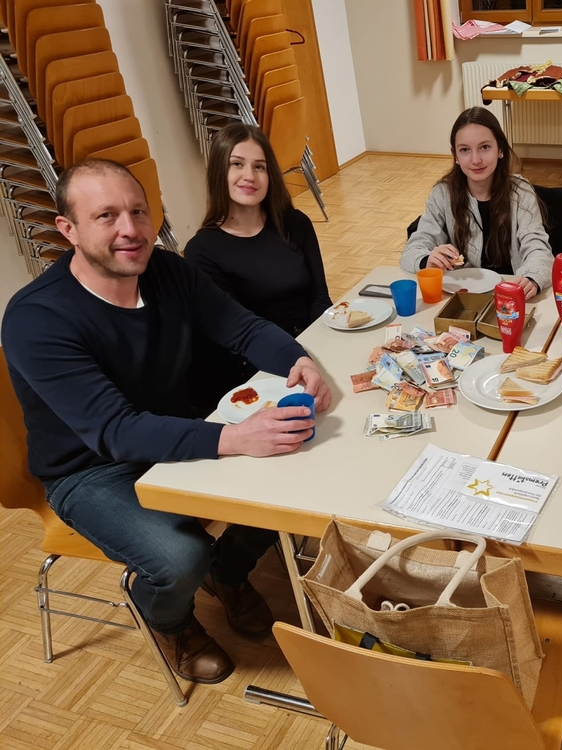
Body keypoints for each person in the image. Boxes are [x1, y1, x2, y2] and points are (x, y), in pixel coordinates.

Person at [1, 160, 333, 685]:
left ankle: (228, 572)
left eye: (138, 211)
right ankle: (170, 620)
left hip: (170, 429)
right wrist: (235, 437)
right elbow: (115, 431)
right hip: (89, 468)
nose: (130, 229)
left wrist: (300, 361)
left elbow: (243, 328)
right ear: (69, 229)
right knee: (179, 557)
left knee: (290, 472)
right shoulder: (37, 319)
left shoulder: (167, 270)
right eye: (106, 216)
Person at [185, 123, 332, 408]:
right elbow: (237, 337)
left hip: (313, 348)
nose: (249, 176)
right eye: (237, 164)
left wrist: (322, 352)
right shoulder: (202, 250)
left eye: (259, 167)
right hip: (260, 369)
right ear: (219, 172)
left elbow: (320, 298)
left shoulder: (295, 223)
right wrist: (297, 362)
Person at [399, 106, 552, 300]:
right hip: (461, 297)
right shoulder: (442, 194)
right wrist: (427, 260)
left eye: (484, 147)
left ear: (500, 149)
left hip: (512, 296)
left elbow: (538, 248)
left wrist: (532, 277)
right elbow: (412, 250)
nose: (476, 160)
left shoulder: (520, 192)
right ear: (455, 155)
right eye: (464, 150)